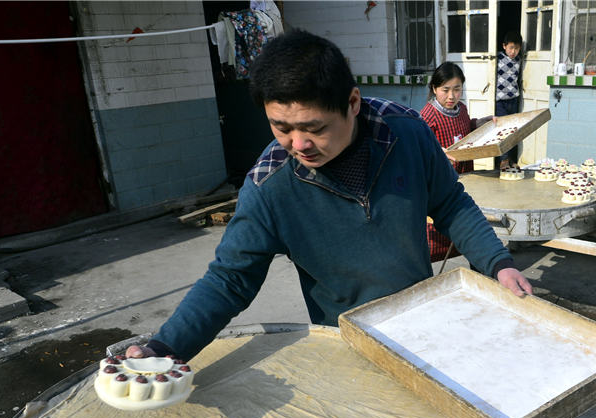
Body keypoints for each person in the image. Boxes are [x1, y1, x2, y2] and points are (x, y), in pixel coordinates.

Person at [127, 31, 532, 361]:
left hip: (424, 321)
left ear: (352, 103)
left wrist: (497, 263)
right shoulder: (269, 187)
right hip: (344, 341)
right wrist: (165, 347)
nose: (298, 143)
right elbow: (229, 280)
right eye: (281, 127)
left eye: (314, 128)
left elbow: (449, 202)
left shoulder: (405, 133)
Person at [419, 61, 494, 262]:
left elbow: (466, 128)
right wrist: (438, 152)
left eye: (457, 89)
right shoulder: (427, 116)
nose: (451, 96)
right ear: (434, 89)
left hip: (466, 177)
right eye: (445, 90)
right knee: (440, 235)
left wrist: (481, 123)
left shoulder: (461, 109)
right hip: (441, 185)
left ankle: (480, 268)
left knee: (472, 232)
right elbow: (419, 148)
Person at [495, 31, 524, 170]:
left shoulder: (519, 60)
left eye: (517, 48)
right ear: (504, 46)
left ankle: (511, 158)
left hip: (513, 100)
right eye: (511, 47)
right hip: (500, 101)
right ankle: (503, 160)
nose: (514, 51)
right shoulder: (497, 58)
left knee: (513, 131)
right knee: (502, 131)